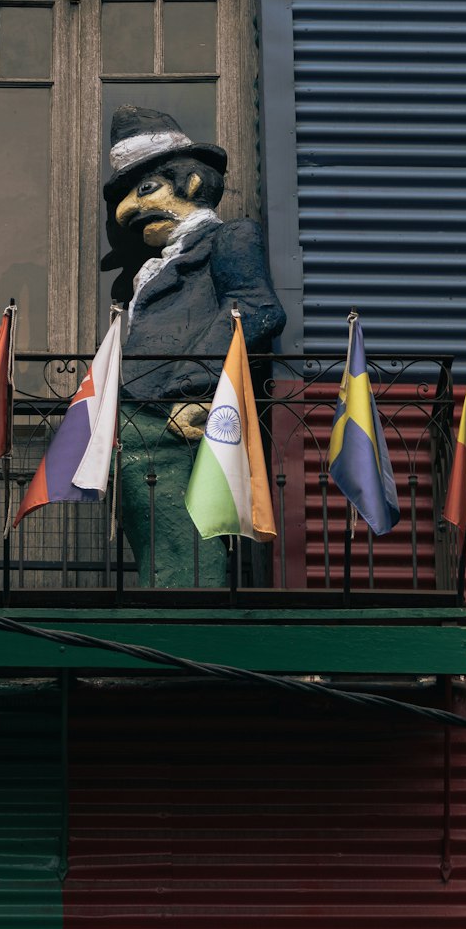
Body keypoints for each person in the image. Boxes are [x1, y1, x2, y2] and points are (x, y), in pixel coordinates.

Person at [103, 106, 286, 587]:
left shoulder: (229, 237)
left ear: (189, 184)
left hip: (181, 409)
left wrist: (197, 387)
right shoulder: (157, 266)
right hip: (140, 411)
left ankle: (183, 625)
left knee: (182, 532)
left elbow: (256, 308)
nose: (126, 211)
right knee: (150, 523)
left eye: (144, 190)